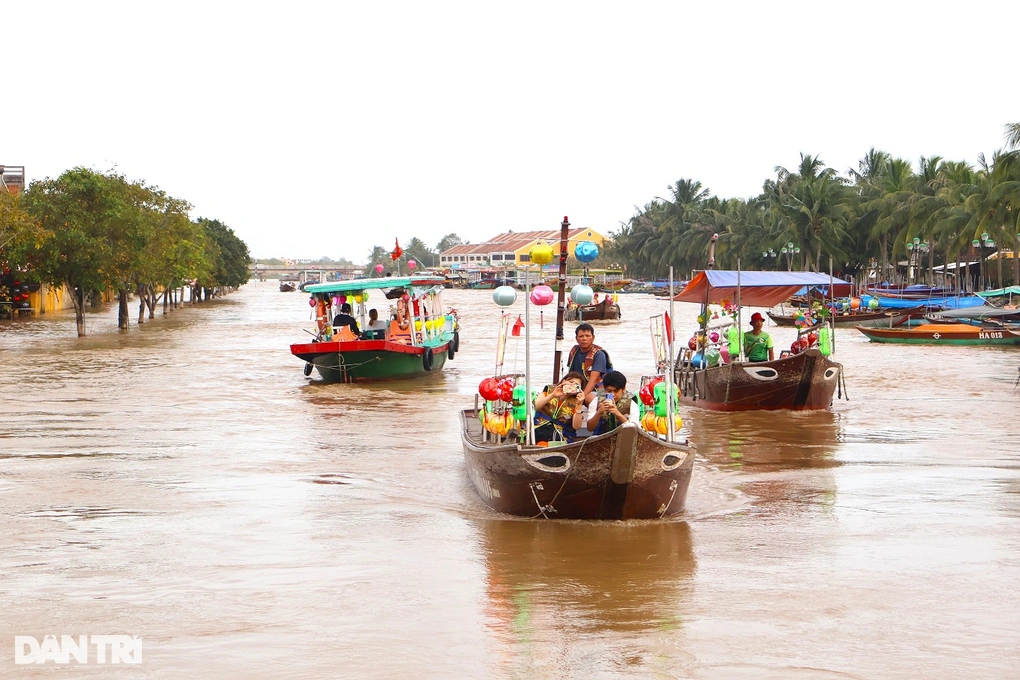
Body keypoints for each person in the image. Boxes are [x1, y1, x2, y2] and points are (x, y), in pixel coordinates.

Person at [533, 372, 593, 443]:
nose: (572, 385)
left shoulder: (576, 401)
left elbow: (576, 426)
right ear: (563, 381)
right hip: (538, 427)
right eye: (570, 382)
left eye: (576, 385)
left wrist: (579, 405)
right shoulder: (549, 390)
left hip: (561, 434)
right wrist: (552, 395)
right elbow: (534, 407)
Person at [567, 323, 612, 400]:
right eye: (581, 336)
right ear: (576, 338)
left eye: (587, 336)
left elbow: (593, 380)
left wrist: (582, 395)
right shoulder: (574, 351)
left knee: (587, 398)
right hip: (578, 387)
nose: (584, 339)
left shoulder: (598, 354)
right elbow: (570, 375)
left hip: (599, 389)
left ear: (593, 338)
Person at [584, 371, 638, 435]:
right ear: (604, 389)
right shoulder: (596, 401)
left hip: (624, 439)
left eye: (616, 391)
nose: (613, 395)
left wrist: (618, 414)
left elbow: (635, 430)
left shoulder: (631, 403)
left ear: (623, 389)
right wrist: (598, 413)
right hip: (600, 439)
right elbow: (590, 428)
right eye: (609, 391)